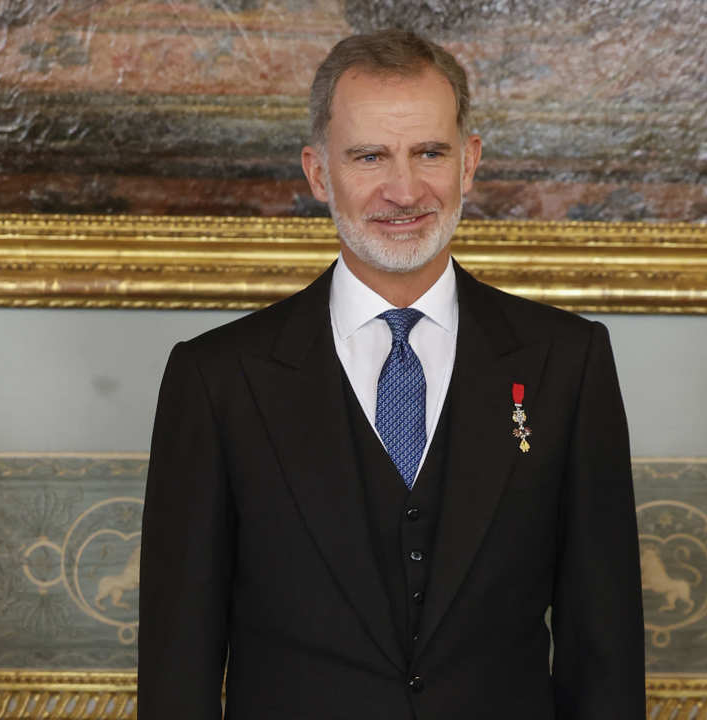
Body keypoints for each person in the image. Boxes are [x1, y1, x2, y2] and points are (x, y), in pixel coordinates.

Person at [138, 29, 644, 719]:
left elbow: (604, 652)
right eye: (370, 156)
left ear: (469, 163)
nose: (404, 191)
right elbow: (179, 666)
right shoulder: (217, 379)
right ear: (320, 174)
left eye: (429, 153)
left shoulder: (567, 363)